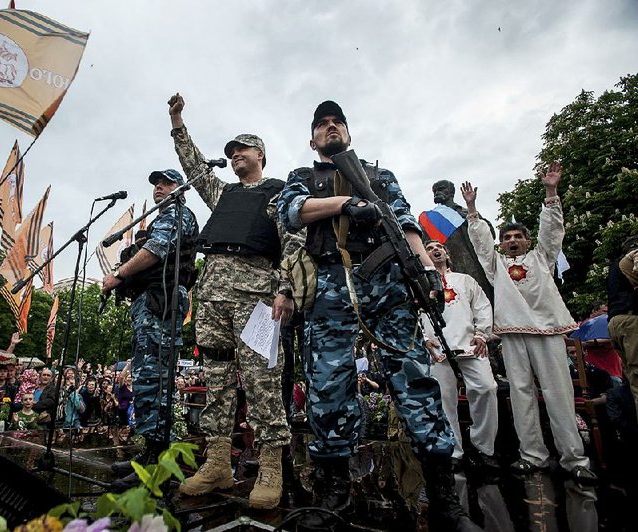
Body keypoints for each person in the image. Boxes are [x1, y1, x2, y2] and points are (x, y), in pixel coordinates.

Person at [277, 100, 477, 530]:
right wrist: (344, 204)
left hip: (387, 279)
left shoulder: (380, 176)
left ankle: (444, 497)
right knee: (329, 383)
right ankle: (335, 492)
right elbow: (291, 212)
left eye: (338, 123)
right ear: (312, 139)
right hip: (330, 283)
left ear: (349, 133)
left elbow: (406, 222)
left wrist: (424, 270)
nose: (331, 128)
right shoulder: (303, 177)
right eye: (322, 125)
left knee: (414, 377)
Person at [168, 93, 295, 509]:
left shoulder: (278, 194)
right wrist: (178, 123)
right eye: (231, 151)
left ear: (260, 153)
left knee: (261, 378)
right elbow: (194, 167)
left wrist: (285, 288)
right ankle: (218, 460)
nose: (235, 155)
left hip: (257, 292)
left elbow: (292, 241)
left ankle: (271, 463)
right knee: (217, 376)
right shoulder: (222, 193)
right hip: (212, 292)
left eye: (242, 149)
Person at [461, 166, 597, 486]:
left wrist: (551, 193)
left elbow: (551, 232)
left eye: (517, 236)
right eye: (506, 237)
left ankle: (574, 459)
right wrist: (471, 209)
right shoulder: (495, 266)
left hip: (548, 331)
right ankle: (532, 456)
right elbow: (482, 243)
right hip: (512, 334)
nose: (511, 241)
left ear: (526, 240)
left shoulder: (541, 259)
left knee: (558, 394)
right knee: (521, 395)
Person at [102, 168, 199, 489]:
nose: (159, 188)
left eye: (167, 182)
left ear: (180, 188)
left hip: (163, 301)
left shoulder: (177, 214)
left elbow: (155, 250)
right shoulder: (164, 216)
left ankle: (160, 462)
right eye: (156, 184)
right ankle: (150, 453)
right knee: (147, 376)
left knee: (154, 379)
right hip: (153, 302)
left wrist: (119, 274)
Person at [421, 240, 499, 471]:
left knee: (486, 388)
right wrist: (423, 339)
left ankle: (483, 448)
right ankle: (454, 450)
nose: (435, 250)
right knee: (444, 400)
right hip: (436, 348)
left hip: (469, 344)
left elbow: (483, 307)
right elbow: (412, 312)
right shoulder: (420, 283)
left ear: (446, 253)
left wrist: (482, 334)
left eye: (439, 247)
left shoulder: (465, 280)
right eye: (429, 248)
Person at [608, 235, 638, 423]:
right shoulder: (633, 256)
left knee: (633, 380)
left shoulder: (614, 267)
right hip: (632, 320)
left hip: (616, 322)